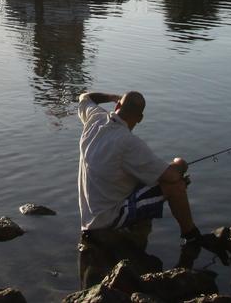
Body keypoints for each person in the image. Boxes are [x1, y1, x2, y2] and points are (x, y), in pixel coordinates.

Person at [76, 90, 199, 286]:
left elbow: (85, 97)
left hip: (89, 216)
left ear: (117, 106)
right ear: (140, 118)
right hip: (107, 220)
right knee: (175, 185)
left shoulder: (95, 119)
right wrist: (180, 163)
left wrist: (111, 97)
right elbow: (172, 176)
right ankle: (191, 236)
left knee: (147, 177)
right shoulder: (129, 142)